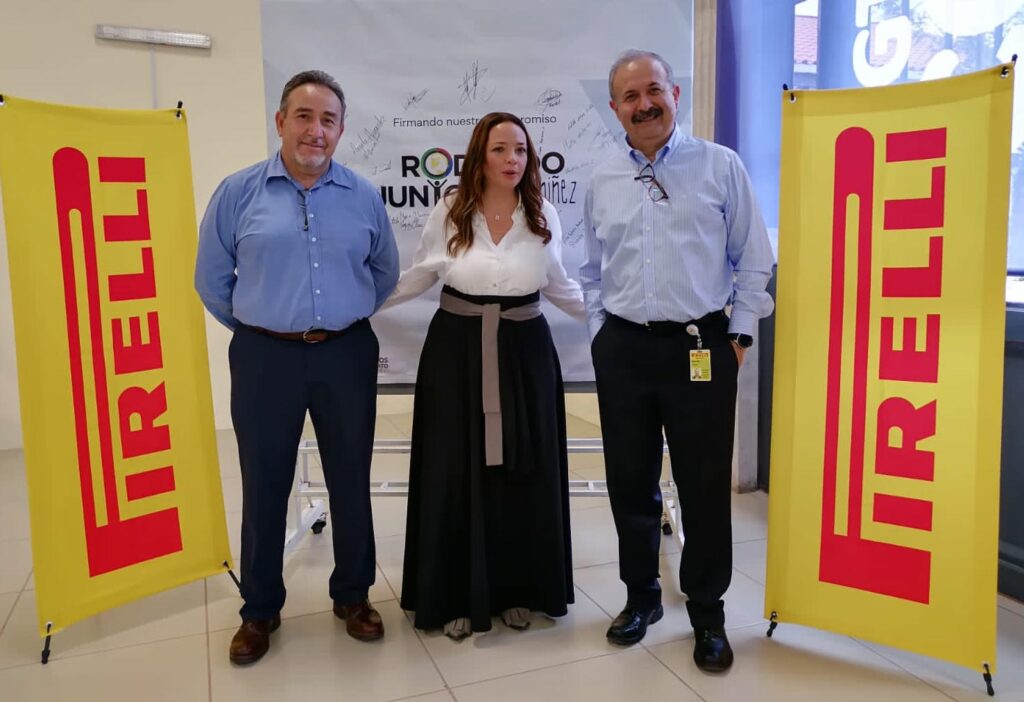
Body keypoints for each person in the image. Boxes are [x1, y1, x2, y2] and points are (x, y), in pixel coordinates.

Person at [194, 69, 399, 664]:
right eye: (304, 116)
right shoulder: (238, 193)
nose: (316, 130)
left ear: (341, 130)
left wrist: (339, 318)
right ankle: (259, 609)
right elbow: (211, 280)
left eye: (328, 120)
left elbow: (383, 272)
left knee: (349, 477)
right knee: (264, 482)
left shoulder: (362, 195)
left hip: (345, 352)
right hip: (265, 357)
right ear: (280, 121)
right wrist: (263, 327)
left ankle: (353, 595)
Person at [580, 50, 774, 672]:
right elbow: (591, 272)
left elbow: (754, 261)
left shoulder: (720, 165)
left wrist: (738, 339)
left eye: (654, 90)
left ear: (675, 93)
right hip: (625, 351)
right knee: (629, 483)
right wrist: (601, 336)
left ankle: (708, 613)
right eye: (630, 96)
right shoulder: (601, 178)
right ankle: (641, 597)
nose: (645, 105)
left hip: (701, 348)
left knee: (703, 487)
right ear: (615, 108)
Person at [384, 112, 584, 640]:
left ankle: (516, 589)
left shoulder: (541, 213)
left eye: (520, 150)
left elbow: (559, 284)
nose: (512, 159)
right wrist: (359, 305)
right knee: (454, 469)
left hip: (525, 353)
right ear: (480, 155)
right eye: (500, 149)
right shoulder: (451, 209)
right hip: (456, 352)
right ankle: (454, 594)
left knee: (521, 468)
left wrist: (620, 318)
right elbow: (420, 274)